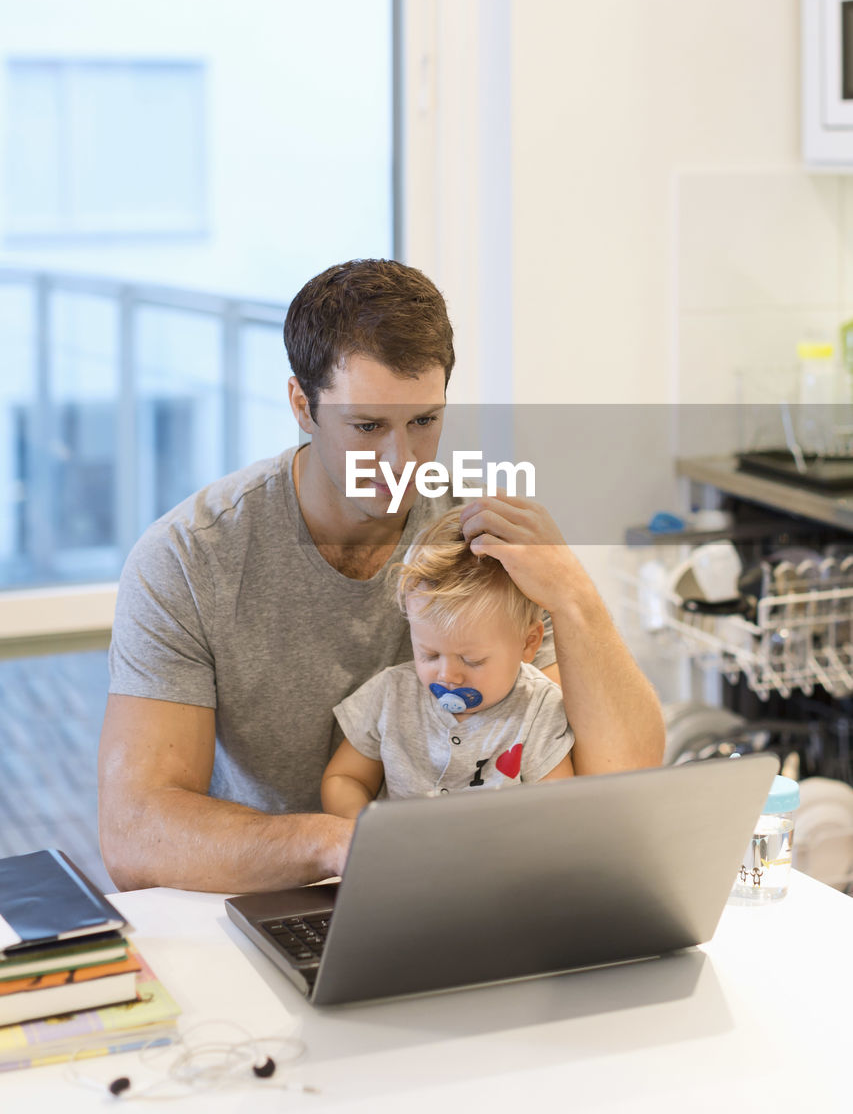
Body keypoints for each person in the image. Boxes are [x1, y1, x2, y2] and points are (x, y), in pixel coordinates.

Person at [99, 259, 664, 894]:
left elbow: (624, 785)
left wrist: (576, 596)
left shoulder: (479, 542)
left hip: (467, 892)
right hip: (269, 893)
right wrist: (345, 845)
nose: (402, 461)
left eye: (424, 422)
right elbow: (134, 833)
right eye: (368, 426)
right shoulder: (188, 557)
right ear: (302, 405)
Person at [321, 507, 575, 818]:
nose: (447, 675)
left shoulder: (539, 710)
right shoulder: (390, 695)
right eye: (429, 654)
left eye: (472, 660)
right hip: (404, 859)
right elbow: (345, 778)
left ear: (529, 642)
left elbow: (560, 809)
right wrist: (363, 833)